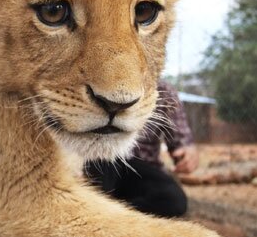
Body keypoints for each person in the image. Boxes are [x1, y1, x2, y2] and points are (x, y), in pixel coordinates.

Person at [85, 79, 198, 218]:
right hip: (100, 158)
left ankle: (115, 215)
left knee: (174, 200)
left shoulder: (165, 90)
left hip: (142, 167)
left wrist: (188, 154)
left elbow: (185, 144)